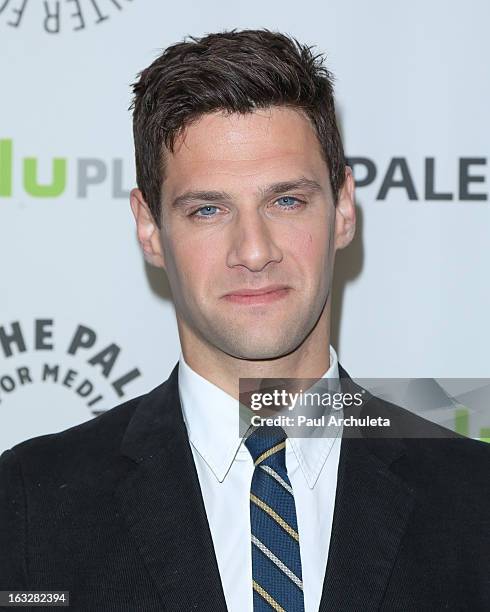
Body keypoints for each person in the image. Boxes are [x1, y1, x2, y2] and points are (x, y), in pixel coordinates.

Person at [1, 29, 489, 612]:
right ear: (149, 228)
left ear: (343, 209)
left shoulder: (475, 499)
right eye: (208, 209)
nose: (254, 251)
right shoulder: (28, 502)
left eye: (286, 201)